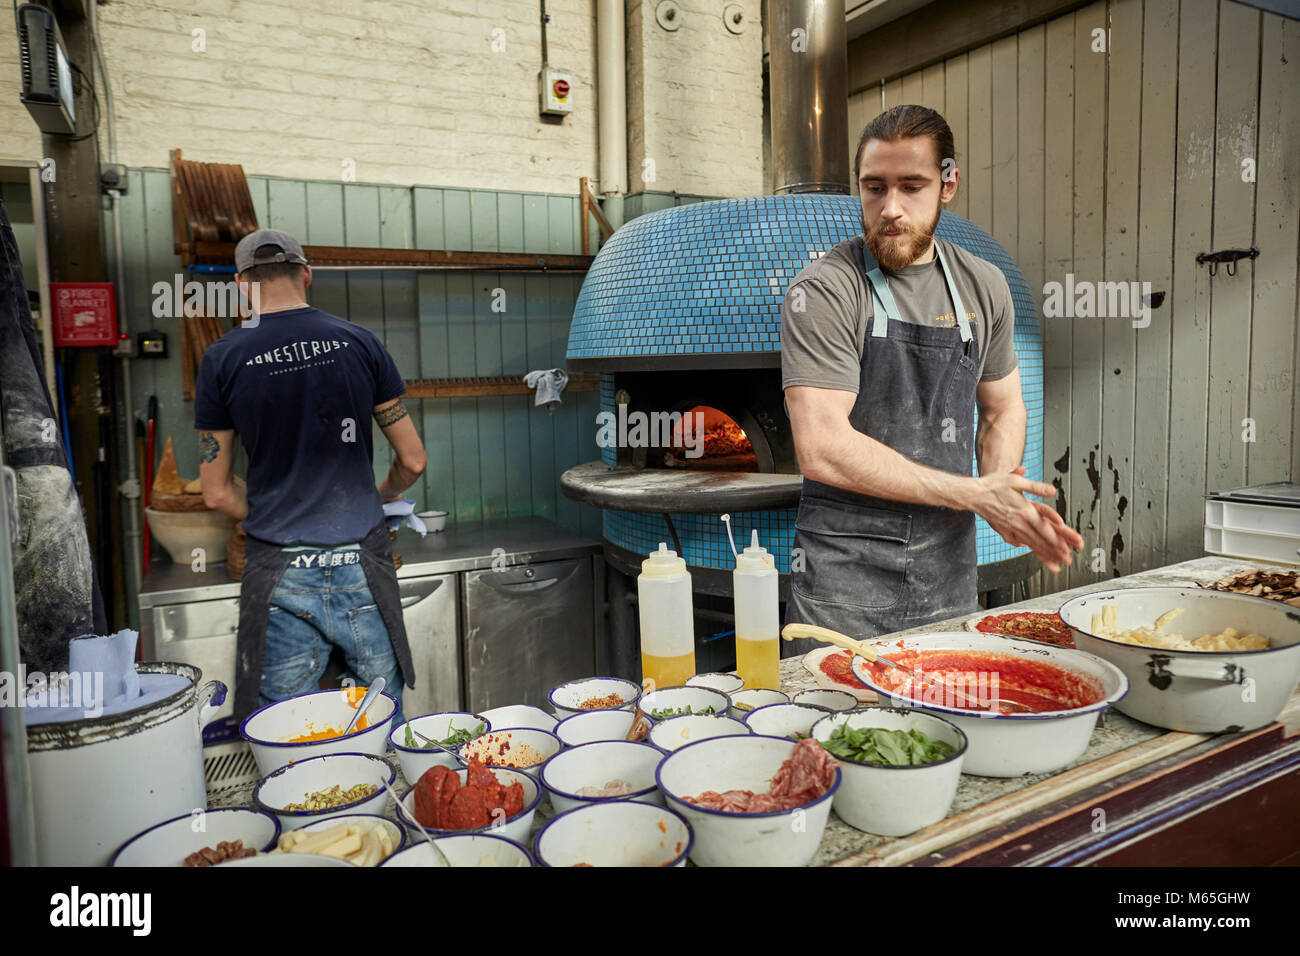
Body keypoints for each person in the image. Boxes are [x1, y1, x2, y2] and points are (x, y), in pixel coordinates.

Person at [781, 105, 1083, 649]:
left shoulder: (982, 285)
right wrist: (972, 493)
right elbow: (821, 445)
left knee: (943, 727)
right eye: (873, 188)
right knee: (838, 730)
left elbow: (1001, 408)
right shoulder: (826, 288)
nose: (889, 209)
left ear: (948, 184)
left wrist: (1001, 490)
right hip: (843, 586)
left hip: (947, 576)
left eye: (911, 186)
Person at [195, 228, 427, 721]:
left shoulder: (222, 358)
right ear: (307, 274)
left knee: (288, 732)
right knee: (377, 720)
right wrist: (379, 497)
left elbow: (214, 493)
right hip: (363, 563)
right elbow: (413, 461)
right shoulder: (361, 343)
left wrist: (267, 514)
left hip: (278, 568)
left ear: (240, 285)